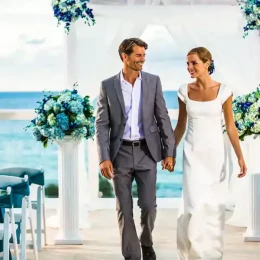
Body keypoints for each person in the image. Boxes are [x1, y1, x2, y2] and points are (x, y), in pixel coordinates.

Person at [95, 38, 176, 260]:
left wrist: (169, 151)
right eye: (138, 55)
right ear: (125, 56)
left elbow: (163, 117)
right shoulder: (108, 85)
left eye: (143, 55)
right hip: (119, 153)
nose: (143, 59)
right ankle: (132, 256)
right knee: (124, 209)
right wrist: (103, 157)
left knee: (149, 205)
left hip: (147, 152)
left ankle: (147, 241)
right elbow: (101, 125)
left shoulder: (153, 82)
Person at [174, 47, 247, 259]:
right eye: (187, 64)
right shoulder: (183, 90)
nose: (189, 67)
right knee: (194, 205)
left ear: (207, 63)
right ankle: (194, 254)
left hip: (216, 155)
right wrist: (169, 152)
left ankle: (211, 254)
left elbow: (231, 127)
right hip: (192, 154)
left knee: (213, 208)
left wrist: (240, 157)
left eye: (194, 63)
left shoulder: (224, 91)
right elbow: (180, 126)